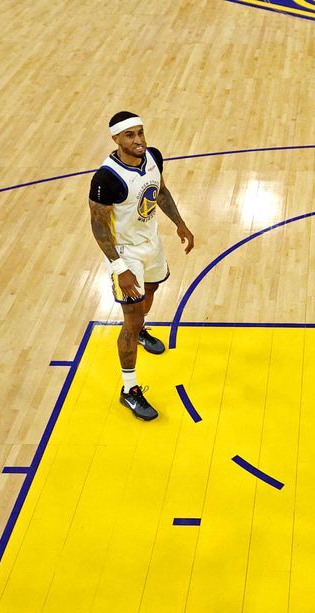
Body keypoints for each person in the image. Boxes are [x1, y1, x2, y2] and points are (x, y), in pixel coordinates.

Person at [88, 112, 195, 421]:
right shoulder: (106, 179)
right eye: (130, 136)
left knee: (154, 288)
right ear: (116, 140)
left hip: (151, 243)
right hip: (126, 252)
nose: (138, 140)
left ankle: (141, 328)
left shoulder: (153, 157)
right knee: (131, 320)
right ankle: (129, 391)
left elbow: (159, 191)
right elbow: (98, 226)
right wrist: (119, 267)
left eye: (140, 133)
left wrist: (180, 223)